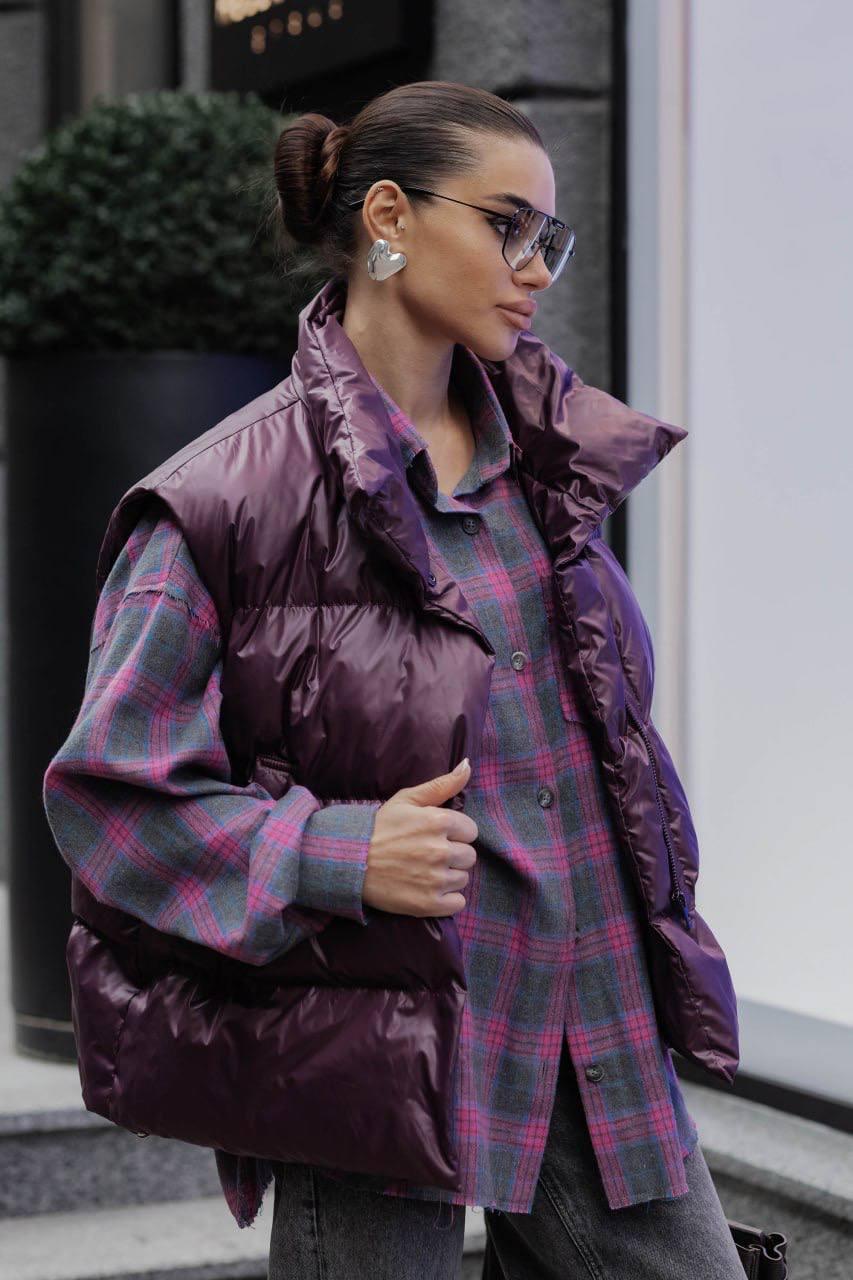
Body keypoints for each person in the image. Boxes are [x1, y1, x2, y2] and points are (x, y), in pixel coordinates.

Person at [43, 80, 743, 1278]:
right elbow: (110, 801)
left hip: (596, 1008)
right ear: (388, 217)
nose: (536, 268)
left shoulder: (550, 460)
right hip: (376, 1034)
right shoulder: (226, 500)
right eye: (508, 226)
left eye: (551, 238)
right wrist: (335, 851)